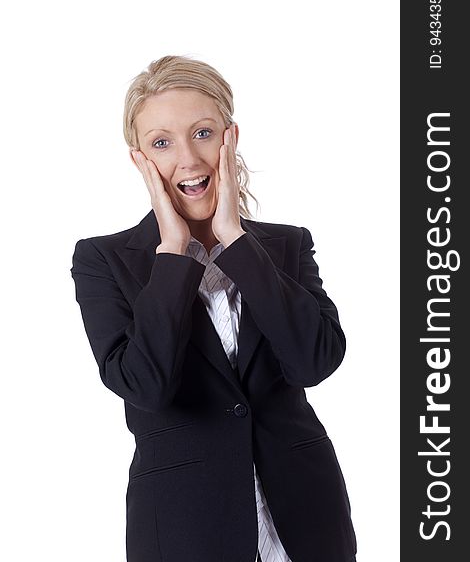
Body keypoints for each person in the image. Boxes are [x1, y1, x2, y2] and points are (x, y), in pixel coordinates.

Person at [70, 55, 357, 562]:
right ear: (140, 160)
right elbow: (146, 387)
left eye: (202, 133)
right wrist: (173, 256)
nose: (189, 159)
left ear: (230, 137)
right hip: (185, 530)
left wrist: (236, 243)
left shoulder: (286, 246)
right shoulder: (103, 260)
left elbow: (315, 362)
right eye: (162, 143)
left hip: (307, 523)